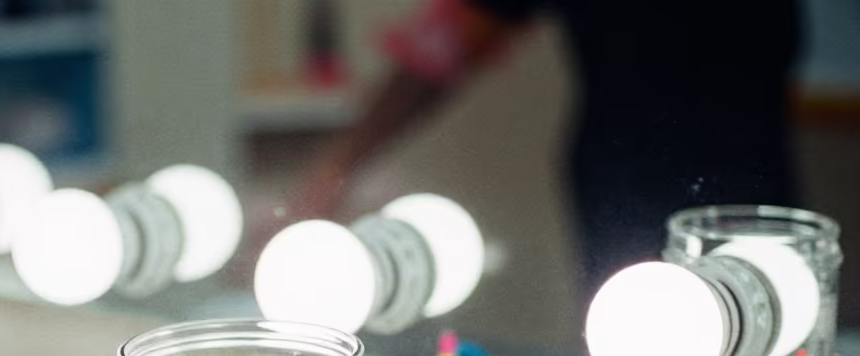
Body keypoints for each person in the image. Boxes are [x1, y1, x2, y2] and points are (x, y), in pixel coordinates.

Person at [297, 0, 801, 292]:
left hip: (744, 186)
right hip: (626, 188)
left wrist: (337, 166)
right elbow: (450, 39)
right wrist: (334, 169)